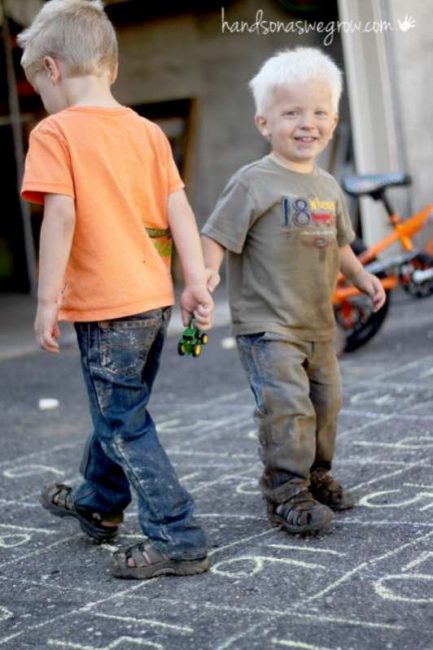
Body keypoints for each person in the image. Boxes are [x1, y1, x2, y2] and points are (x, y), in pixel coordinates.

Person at [18, 0, 213, 579]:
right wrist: (196, 280)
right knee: (121, 410)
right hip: (152, 302)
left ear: (52, 70)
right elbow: (178, 205)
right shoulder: (147, 131)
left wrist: (47, 298)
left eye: (41, 85)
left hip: (107, 310)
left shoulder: (55, 131)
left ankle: (177, 534)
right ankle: (99, 505)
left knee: (122, 421)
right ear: (112, 68)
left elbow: (61, 218)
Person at [201, 47, 386, 535]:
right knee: (288, 408)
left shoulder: (327, 186)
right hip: (269, 326)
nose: (308, 123)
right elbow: (216, 234)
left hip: (317, 323)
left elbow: (341, 244)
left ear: (334, 118)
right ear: (264, 123)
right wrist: (206, 276)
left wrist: (362, 277)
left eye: (319, 112)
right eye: (292, 113)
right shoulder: (253, 183)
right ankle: (286, 489)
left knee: (326, 404)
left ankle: (315, 474)